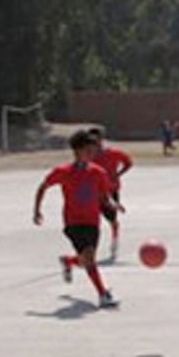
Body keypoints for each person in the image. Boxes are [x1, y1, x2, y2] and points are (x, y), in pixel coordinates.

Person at [33, 130, 123, 309]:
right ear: (78, 151)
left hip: (92, 222)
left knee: (86, 260)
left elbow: (104, 195)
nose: (92, 154)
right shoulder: (63, 172)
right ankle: (103, 294)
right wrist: (37, 210)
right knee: (89, 257)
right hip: (73, 223)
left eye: (94, 150)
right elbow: (43, 187)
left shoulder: (98, 172)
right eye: (89, 150)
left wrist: (114, 204)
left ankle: (68, 261)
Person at [90, 128, 133, 262]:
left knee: (112, 220)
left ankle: (114, 241)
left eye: (96, 140)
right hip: (92, 192)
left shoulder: (113, 153)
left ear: (101, 140)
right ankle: (89, 247)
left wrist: (118, 174)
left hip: (110, 191)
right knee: (90, 221)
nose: (94, 143)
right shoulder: (88, 156)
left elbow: (128, 162)